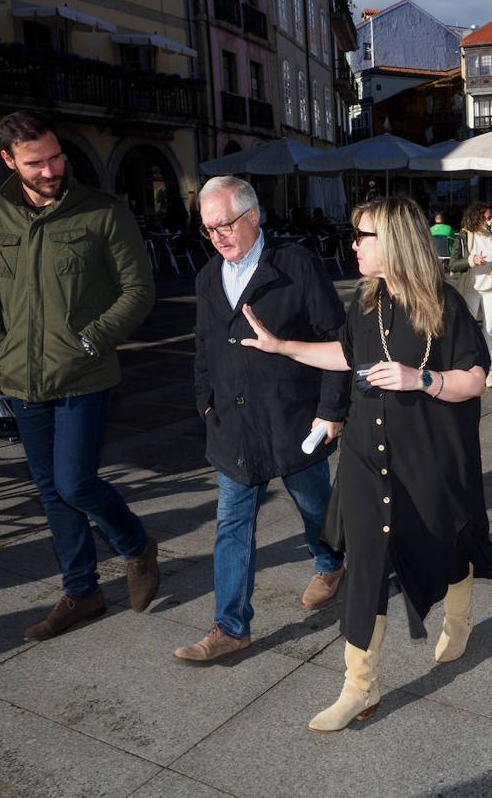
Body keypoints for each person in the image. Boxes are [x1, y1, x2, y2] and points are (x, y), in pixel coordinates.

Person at [239, 197, 492, 731]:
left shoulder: (444, 305)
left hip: (428, 454)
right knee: (365, 565)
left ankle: (459, 617)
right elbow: (344, 356)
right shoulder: (364, 304)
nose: (354, 244)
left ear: (394, 241)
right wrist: (281, 346)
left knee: (445, 539)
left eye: (363, 235)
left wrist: (421, 379)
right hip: (367, 454)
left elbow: (475, 379)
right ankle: (359, 687)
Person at [0, 111, 158, 641]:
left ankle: (136, 546)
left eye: (55, 156)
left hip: (84, 374)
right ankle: (82, 590)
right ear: (8, 160)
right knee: (50, 491)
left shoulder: (102, 211)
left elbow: (138, 290)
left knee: (74, 481)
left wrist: (92, 338)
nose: (50, 170)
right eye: (35, 162)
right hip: (21, 378)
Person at [175, 176, 348, 664]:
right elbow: (204, 348)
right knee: (232, 524)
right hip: (234, 426)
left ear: (253, 216)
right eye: (208, 229)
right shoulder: (209, 277)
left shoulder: (295, 266)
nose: (218, 237)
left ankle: (331, 563)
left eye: (225, 224)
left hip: (293, 419)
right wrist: (205, 404)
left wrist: (331, 410)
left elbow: (336, 338)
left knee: (315, 506)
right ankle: (231, 627)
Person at [449, 203, 492, 388]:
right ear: (477, 218)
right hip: (470, 290)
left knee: (489, 330)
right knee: (468, 330)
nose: (491, 221)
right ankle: (468, 367)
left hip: (490, 289)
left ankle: (491, 370)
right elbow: (452, 264)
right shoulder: (465, 235)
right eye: (487, 217)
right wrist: (470, 260)